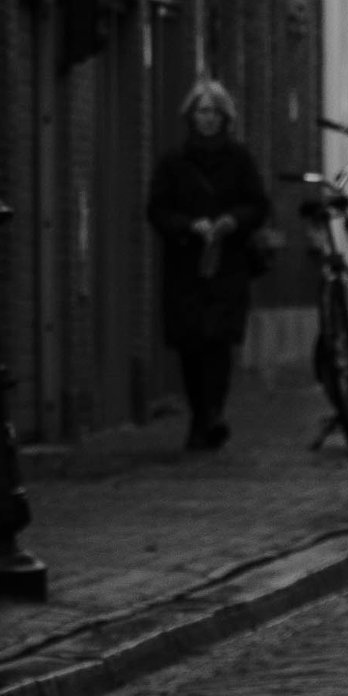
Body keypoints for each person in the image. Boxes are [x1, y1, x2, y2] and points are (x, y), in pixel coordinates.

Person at [145, 79, 273, 451]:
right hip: (186, 265)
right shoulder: (173, 163)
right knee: (191, 343)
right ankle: (200, 414)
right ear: (191, 116)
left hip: (227, 265)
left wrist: (232, 221)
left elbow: (258, 204)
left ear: (225, 117)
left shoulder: (240, 160)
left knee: (218, 341)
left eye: (215, 112)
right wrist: (188, 226)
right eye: (203, 111)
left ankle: (213, 413)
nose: (209, 119)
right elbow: (157, 209)